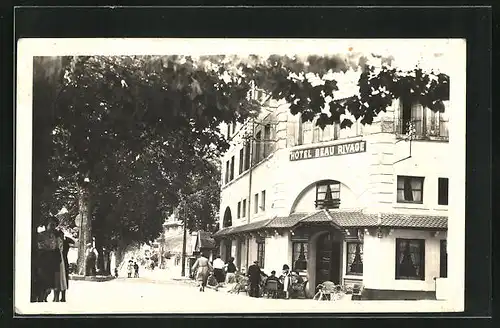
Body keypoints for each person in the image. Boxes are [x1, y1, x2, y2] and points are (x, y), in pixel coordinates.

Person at [36, 216, 63, 302]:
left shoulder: (56, 235)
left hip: (53, 260)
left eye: (54, 225)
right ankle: (41, 297)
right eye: (51, 225)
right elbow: (41, 246)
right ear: (46, 225)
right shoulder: (41, 235)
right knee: (43, 280)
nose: (53, 227)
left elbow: (57, 247)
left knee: (53, 281)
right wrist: (51, 248)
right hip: (44, 260)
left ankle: (51, 297)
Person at [53, 231, 75, 302]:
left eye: (62, 235)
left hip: (64, 262)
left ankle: (63, 297)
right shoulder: (58, 243)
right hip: (58, 262)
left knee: (64, 279)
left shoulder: (65, 243)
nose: (61, 237)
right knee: (57, 279)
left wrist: (66, 238)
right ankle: (56, 297)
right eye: (60, 235)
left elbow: (73, 242)